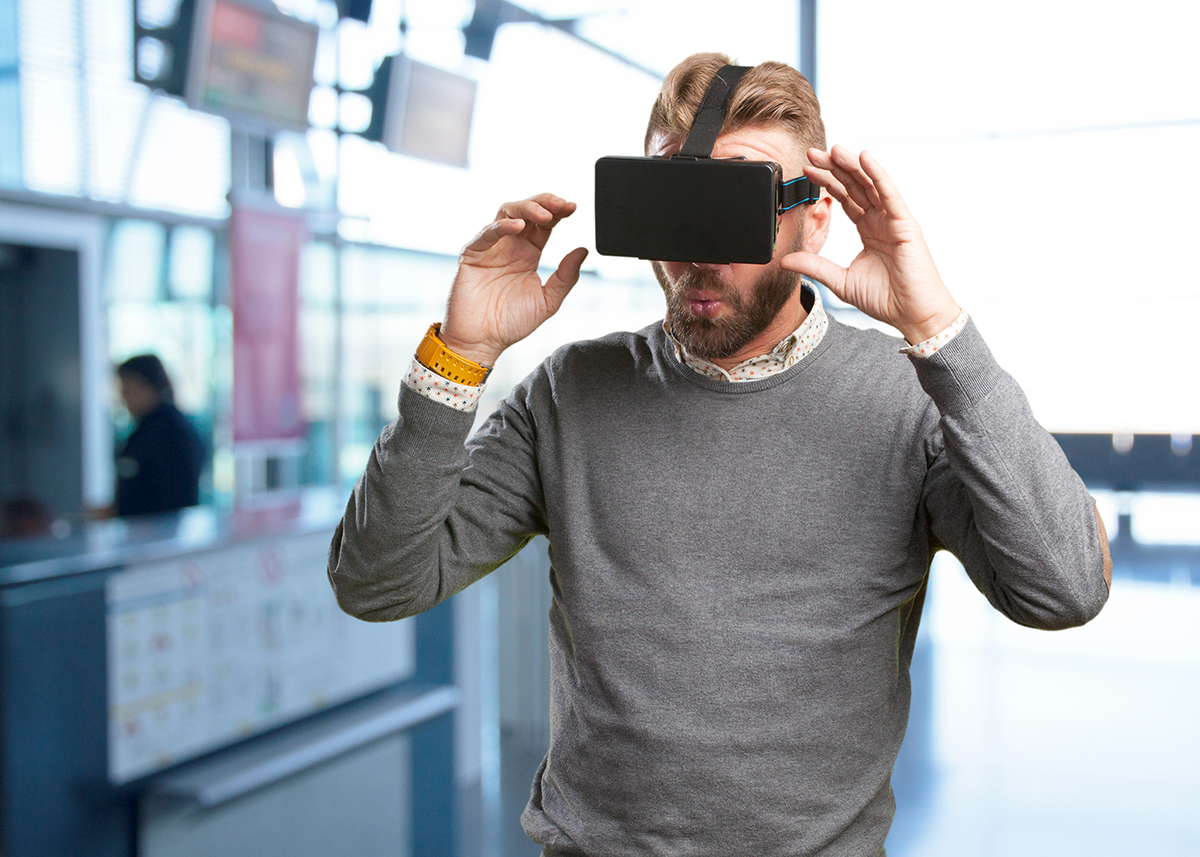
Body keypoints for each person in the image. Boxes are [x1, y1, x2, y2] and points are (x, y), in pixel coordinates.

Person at [328, 53, 1112, 856]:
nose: (701, 252)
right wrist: (458, 355)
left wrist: (939, 332)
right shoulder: (571, 392)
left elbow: (1066, 588)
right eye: (679, 202)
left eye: (737, 203)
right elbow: (376, 581)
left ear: (815, 218)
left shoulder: (907, 399)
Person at [114, 354, 204, 517]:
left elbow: (171, 498)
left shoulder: (171, 432)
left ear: (147, 386)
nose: (123, 397)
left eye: (128, 388)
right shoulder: (144, 430)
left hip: (161, 535)